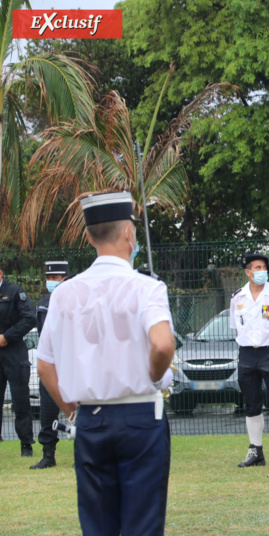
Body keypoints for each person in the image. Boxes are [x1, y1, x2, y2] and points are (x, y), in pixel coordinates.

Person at [36, 191, 175, 535]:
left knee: (98, 525)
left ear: (88, 236)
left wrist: (72, 412)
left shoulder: (65, 293)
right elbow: (162, 344)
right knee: (141, 524)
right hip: (141, 415)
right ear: (129, 233)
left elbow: (44, 365)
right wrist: (155, 377)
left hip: (90, 418)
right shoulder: (147, 288)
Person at [230, 252, 269, 468]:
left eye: (264, 268)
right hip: (247, 354)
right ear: (248, 272)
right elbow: (237, 327)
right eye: (257, 268)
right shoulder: (237, 297)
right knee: (251, 404)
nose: (262, 272)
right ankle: (255, 450)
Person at [29, 261, 69, 469]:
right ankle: (48, 454)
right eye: (49, 278)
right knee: (47, 410)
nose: (51, 282)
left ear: (65, 277)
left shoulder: (76, 299)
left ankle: (84, 451)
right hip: (51, 363)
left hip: (72, 362)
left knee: (82, 409)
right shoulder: (44, 303)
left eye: (55, 278)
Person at [0, 263, 37, 456]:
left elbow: (29, 318)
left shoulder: (14, 291)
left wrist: (7, 337)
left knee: (20, 400)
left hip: (13, 352)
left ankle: (26, 444)